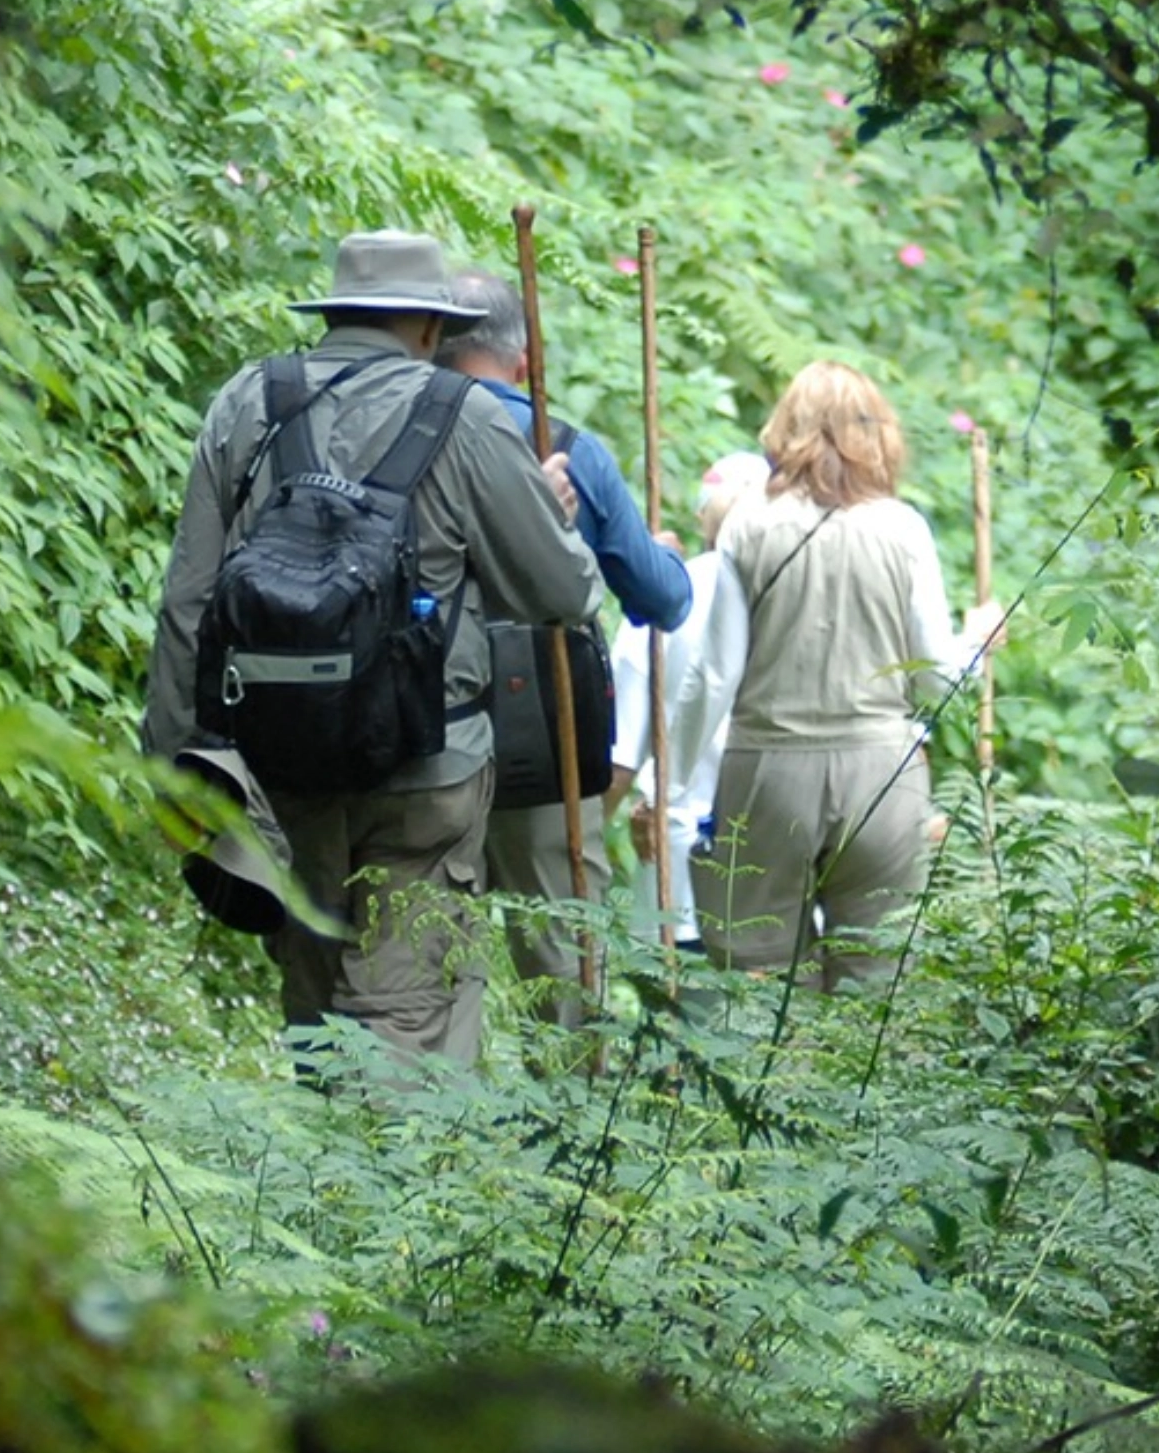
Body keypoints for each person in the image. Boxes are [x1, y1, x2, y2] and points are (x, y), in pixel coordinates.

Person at [142, 231, 602, 1065]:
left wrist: (179, 760)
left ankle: (325, 1180)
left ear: (335, 312)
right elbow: (562, 595)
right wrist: (552, 516)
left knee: (314, 1006)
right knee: (407, 1018)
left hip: (280, 761)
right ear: (431, 328)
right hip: (428, 768)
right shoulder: (465, 418)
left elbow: (188, 604)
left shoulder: (248, 403)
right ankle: (386, 1183)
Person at [670, 362, 1002, 991]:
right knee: (873, 984)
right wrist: (978, 642)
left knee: (758, 975)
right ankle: (862, 1091)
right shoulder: (903, 529)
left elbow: (715, 674)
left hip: (768, 773)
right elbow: (934, 677)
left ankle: (775, 1085)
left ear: (785, 429)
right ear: (876, 433)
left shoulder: (746, 524)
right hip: (881, 774)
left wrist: (675, 783)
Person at [436, 271, 692, 1023]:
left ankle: (421, 1126)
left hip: (419, 735)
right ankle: (574, 1118)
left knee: (423, 957)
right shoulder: (565, 450)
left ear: (429, 347)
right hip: (543, 740)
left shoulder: (398, 434)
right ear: (524, 359)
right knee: (562, 951)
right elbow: (661, 600)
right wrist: (667, 556)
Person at [608, 449, 770, 953]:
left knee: (682, 1022)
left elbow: (619, 756)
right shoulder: (797, 596)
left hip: (675, 869)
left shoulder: (667, 599)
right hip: (776, 859)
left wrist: (578, 846)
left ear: (704, 518)